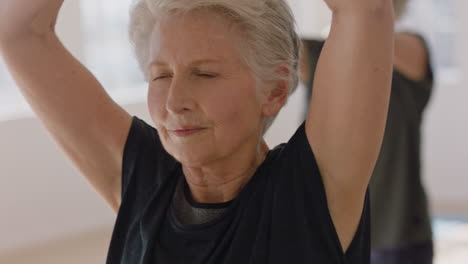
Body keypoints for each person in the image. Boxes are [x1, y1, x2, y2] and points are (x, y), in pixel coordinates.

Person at [0, 0, 394, 263]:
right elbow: (19, 32)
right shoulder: (144, 179)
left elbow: (364, 8)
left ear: (274, 91)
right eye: (161, 75)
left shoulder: (308, 193)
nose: (174, 102)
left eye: (204, 74)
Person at [299, 0, 434, 263]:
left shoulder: (411, 47)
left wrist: (350, 23)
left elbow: (371, 20)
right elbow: (266, 43)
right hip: (329, 228)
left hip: (397, 230)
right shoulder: (318, 52)